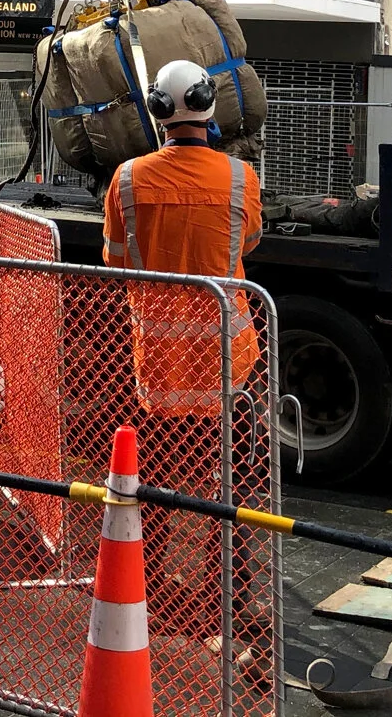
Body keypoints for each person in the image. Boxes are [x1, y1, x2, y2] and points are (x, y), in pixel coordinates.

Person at [100, 59, 267, 664]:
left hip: (158, 372)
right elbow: (248, 244)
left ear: (157, 110)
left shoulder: (124, 181)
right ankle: (232, 600)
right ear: (206, 105)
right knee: (235, 490)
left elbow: (118, 257)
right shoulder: (242, 177)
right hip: (228, 369)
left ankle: (149, 591)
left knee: (156, 486)